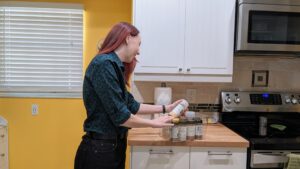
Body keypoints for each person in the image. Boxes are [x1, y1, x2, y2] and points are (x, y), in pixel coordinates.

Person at [74, 22, 185, 169]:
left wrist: (166, 108)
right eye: (139, 44)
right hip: (100, 151)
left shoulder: (113, 66)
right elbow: (121, 116)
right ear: (127, 38)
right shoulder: (103, 65)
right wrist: (154, 124)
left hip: (111, 148)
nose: (139, 51)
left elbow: (131, 105)